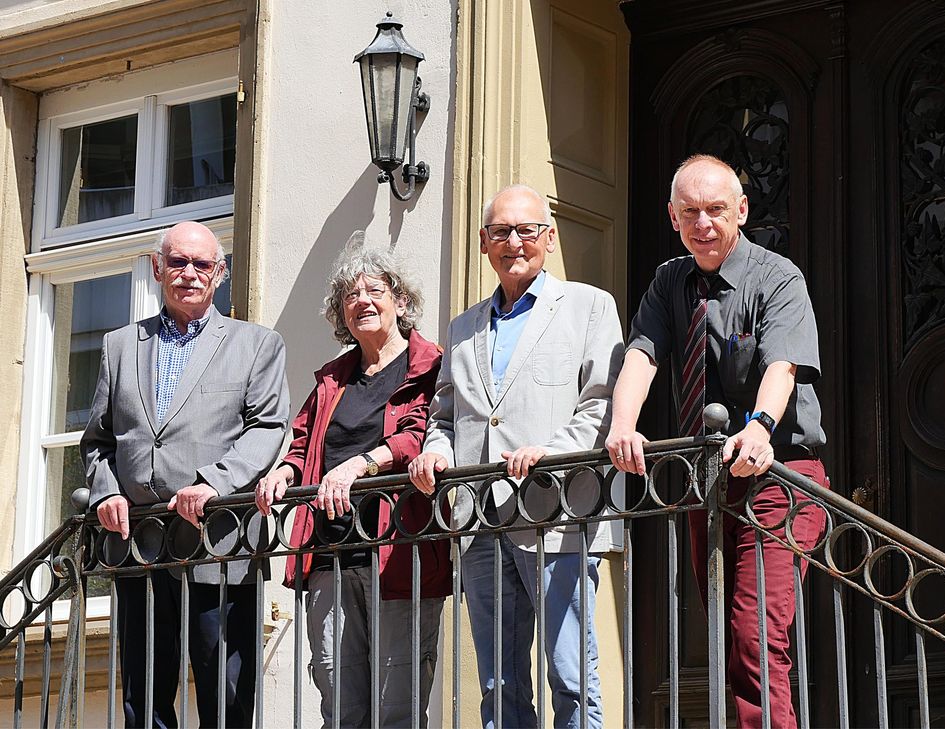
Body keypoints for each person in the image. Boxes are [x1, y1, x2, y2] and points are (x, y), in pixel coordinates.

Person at [606, 154, 827, 729]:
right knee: (729, 641)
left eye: (716, 210)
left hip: (781, 479)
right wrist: (622, 425)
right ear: (673, 217)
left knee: (755, 634)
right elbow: (641, 355)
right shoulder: (668, 280)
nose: (703, 223)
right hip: (709, 485)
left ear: (742, 211)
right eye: (690, 212)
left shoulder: (778, 277)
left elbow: (784, 366)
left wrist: (760, 426)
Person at [408, 184, 624, 729]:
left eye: (526, 230)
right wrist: (435, 452)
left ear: (548, 239)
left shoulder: (590, 306)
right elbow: (443, 415)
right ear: (484, 243)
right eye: (501, 231)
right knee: (499, 684)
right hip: (481, 520)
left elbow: (602, 404)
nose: (514, 242)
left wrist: (549, 452)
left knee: (571, 677)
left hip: (558, 516)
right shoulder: (463, 326)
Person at [80, 221, 290, 728]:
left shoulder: (256, 344)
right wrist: (106, 491)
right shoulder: (118, 346)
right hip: (139, 545)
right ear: (157, 269)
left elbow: (269, 428)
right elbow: (98, 441)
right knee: (143, 697)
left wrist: (214, 482)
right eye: (177, 262)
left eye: (201, 264)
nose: (189, 274)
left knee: (226, 692)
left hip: (217, 542)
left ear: (220, 273)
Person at [255, 247, 450, 728]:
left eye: (374, 290)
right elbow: (304, 442)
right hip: (329, 555)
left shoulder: (428, 365)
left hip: (399, 554)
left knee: (397, 706)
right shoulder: (332, 379)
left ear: (400, 301)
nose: (361, 300)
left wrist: (362, 464)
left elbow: (421, 432)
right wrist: (285, 471)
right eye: (350, 294)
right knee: (340, 706)